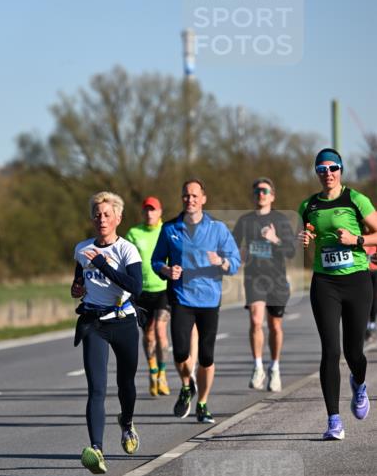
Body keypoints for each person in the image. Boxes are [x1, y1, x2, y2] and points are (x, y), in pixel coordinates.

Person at [297, 148, 377, 440]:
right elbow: (309, 234)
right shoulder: (308, 206)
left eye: (333, 168)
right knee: (330, 351)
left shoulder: (356, 200)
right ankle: (333, 421)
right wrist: (305, 239)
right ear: (316, 173)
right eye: (321, 169)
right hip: (325, 283)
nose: (327, 173)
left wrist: (357, 239)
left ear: (341, 170)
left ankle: (359, 382)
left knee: (353, 351)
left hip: (357, 280)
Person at [152, 178, 240, 424]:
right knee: (180, 353)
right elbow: (156, 261)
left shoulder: (217, 229)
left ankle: (202, 404)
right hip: (181, 297)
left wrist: (220, 262)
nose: (189, 200)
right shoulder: (170, 228)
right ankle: (186, 385)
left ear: (203, 198)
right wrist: (167, 271)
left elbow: (234, 262)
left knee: (206, 356)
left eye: (194, 195)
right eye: (185, 196)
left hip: (209, 299)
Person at [72, 191, 143, 474]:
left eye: (107, 215)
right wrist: (76, 288)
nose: (101, 219)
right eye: (97, 215)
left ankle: (126, 423)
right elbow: (79, 279)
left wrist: (103, 264)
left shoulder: (127, 250)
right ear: (92, 219)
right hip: (94, 324)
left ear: (118, 218)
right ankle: (96, 450)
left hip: (123, 322)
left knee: (126, 383)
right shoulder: (82, 249)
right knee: (96, 388)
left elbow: (135, 286)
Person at [233, 177, 297, 392]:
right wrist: (237, 255)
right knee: (255, 320)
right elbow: (232, 247)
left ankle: (275, 367)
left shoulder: (280, 220)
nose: (261, 194)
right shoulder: (245, 221)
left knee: (275, 326)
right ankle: (258, 366)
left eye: (265, 191)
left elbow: (291, 251)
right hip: (254, 279)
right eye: (257, 191)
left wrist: (274, 239)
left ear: (272, 196)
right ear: (253, 195)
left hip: (277, 279)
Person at [125, 197, 171, 396]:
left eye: (153, 210)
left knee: (160, 332)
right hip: (141, 292)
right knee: (148, 335)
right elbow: (124, 259)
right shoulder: (134, 233)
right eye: (146, 210)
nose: (150, 214)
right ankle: (152, 371)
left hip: (163, 288)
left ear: (160, 211)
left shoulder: (167, 231)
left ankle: (162, 373)